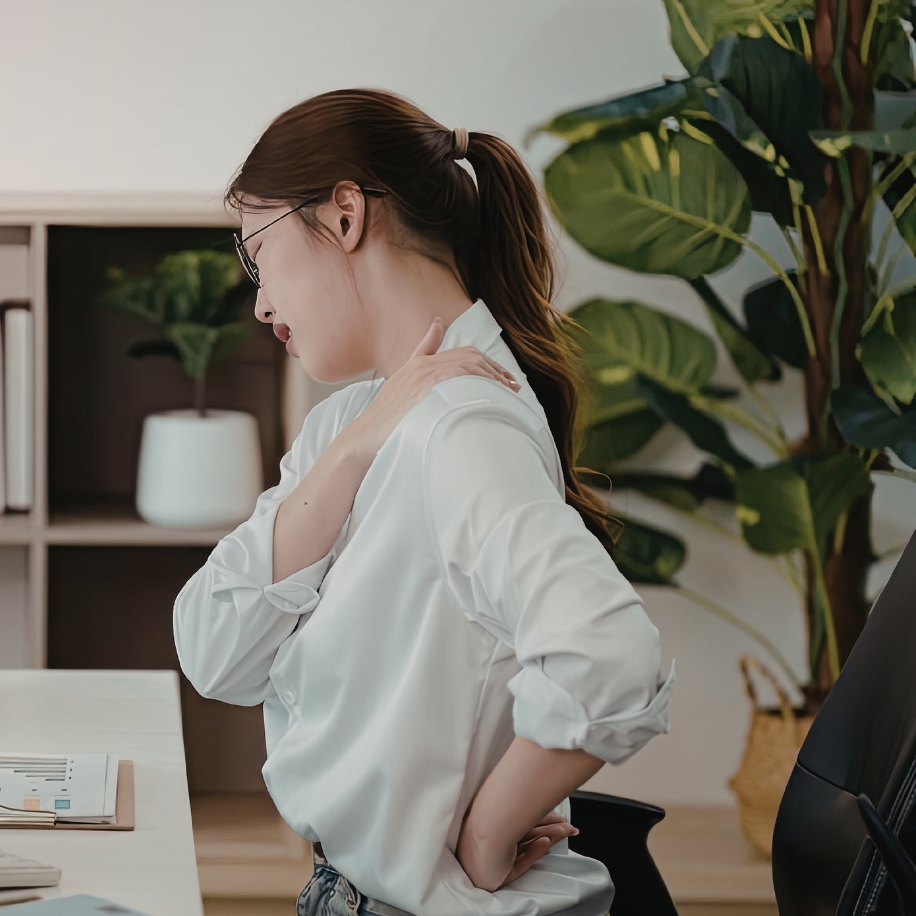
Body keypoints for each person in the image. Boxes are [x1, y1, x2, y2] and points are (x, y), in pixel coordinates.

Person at [171, 88, 674, 916]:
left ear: (342, 216)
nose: (259, 299)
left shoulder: (461, 426)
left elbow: (609, 659)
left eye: (256, 252)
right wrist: (358, 444)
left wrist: (485, 830)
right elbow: (213, 648)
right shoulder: (361, 421)